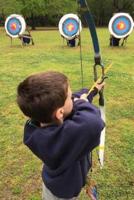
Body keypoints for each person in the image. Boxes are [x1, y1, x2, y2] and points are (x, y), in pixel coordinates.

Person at [17, 71, 105, 200]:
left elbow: (70, 105)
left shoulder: (37, 126)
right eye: (70, 97)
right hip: (63, 193)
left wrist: (92, 90)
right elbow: (93, 121)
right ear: (60, 113)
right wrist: (82, 103)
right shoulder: (67, 136)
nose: (73, 99)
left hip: (53, 184)